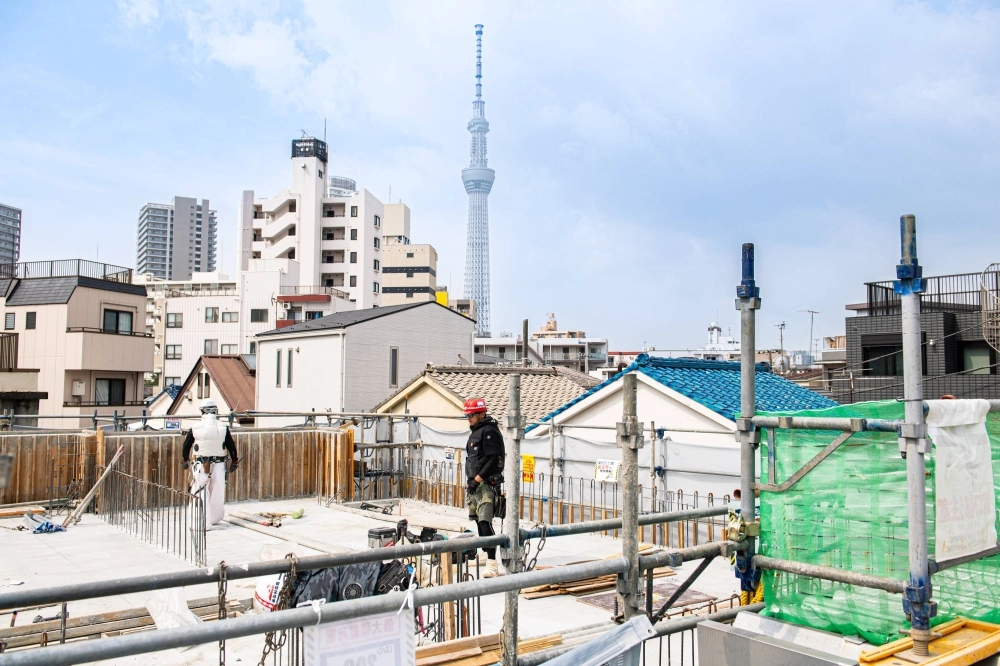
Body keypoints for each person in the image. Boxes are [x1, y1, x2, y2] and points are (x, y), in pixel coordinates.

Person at [182, 399, 239, 530]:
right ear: (215, 411)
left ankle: (200, 523)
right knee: (216, 491)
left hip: (202, 464)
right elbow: (231, 446)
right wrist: (235, 460)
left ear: (202, 411)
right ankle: (214, 518)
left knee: (200, 492)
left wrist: (185, 459)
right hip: (219, 464)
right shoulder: (223, 427)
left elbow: (186, 445)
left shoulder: (195, 427)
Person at [464, 397, 504, 578]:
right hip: (476, 483)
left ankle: (492, 563)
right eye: (467, 416)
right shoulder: (476, 431)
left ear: (481, 414)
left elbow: (493, 458)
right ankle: (484, 553)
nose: (469, 419)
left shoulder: (488, 431)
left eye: (471, 415)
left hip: (485, 484)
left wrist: (478, 479)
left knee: (485, 522)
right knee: (477, 520)